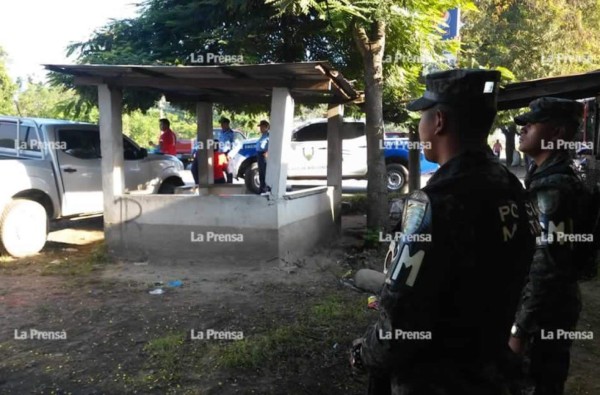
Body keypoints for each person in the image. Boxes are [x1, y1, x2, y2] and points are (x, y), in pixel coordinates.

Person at [349, 69, 537, 395]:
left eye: (422, 116)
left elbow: (401, 321)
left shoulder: (435, 202)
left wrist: (362, 354)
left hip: (436, 379)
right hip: (493, 375)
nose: (418, 127)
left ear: (438, 122)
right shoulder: (512, 188)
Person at [508, 97, 597, 395]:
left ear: (557, 132)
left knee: (534, 385)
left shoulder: (553, 187)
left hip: (543, 314)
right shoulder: (547, 176)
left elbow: (546, 264)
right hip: (552, 306)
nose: (523, 129)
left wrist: (520, 328)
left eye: (532, 123)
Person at [218, 117, 235, 183]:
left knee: (228, 170)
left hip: (227, 153)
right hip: (220, 153)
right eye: (221, 124)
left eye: (223, 124)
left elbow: (233, 145)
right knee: (220, 169)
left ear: (227, 124)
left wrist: (230, 154)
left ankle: (229, 184)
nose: (221, 125)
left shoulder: (231, 133)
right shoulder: (221, 132)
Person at [256, 120, 270, 194]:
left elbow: (271, 145)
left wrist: (267, 152)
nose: (260, 128)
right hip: (259, 155)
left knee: (264, 173)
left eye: (262, 127)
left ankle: (265, 188)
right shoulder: (262, 135)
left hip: (264, 155)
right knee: (261, 173)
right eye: (260, 126)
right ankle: (261, 188)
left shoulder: (268, 135)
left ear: (266, 127)